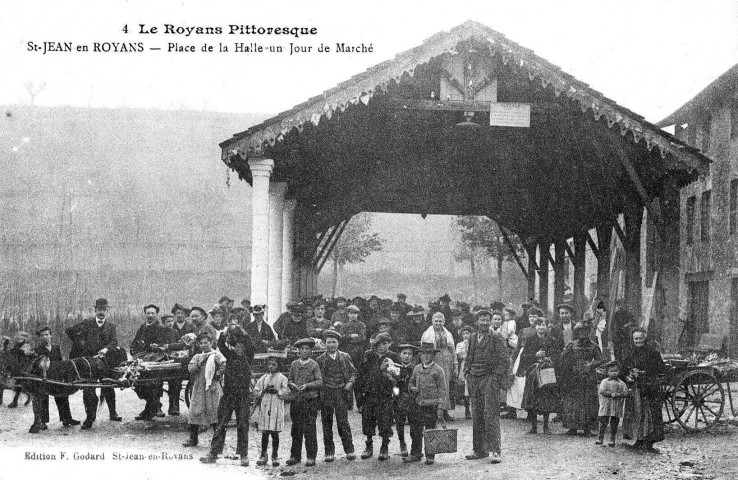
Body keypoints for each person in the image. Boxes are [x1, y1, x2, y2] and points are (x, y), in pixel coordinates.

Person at [200, 325, 255, 466]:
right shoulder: (229, 356)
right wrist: (225, 332)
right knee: (221, 423)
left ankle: (244, 455)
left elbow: (251, 344)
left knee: (243, 424)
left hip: (243, 396)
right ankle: (213, 454)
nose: (239, 349)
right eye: (237, 346)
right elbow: (220, 343)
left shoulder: (248, 357)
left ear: (245, 348)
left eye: (242, 346)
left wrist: (243, 331)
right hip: (229, 395)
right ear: (233, 347)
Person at [64, 298, 121, 429]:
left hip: (104, 361)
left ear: (107, 311)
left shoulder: (111, 326)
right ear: (95, 310)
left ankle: (113, 413)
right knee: (89, 389)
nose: (101, 312)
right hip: (89, 362)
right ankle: (90, 418)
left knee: (108, 385)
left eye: (104, 310)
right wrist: (80, 343)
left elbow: (114, 342)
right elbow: (69, 331)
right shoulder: (87, 323)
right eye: (99, 310)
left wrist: (105, 349)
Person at [464, 309, 509, 464]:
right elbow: (469, 356)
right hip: (474, 380)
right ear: (476, 321)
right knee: (477, 415)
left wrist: (495, 378)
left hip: (489, 379)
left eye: (487, 320)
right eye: (481, 320)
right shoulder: (471, 337)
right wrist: (467, 372)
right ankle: (479, 450)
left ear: (490, 322)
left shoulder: (496, 337)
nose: (484, 322)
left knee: (491, 415)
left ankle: (496, 451)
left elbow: (505, 360)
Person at [356, 332, 401, 461]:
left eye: (384, 343)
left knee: (385, 421)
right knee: (368, 420)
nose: (381, 346)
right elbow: (361, 375)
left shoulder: (393, 356)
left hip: (386, 394)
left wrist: (389, 370)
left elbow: (398, 376)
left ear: (390, 344)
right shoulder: (368, 355)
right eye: (379, 344)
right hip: (370, 393)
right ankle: (369, 445)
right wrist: (360, 396)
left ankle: (384, 446)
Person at [622, 328, 668, 453]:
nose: (638, 341)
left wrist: (645, 374)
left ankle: (649, 443)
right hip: (636, 388)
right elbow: (623, 370)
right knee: (637, 413)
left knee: (649, 414)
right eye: (635, 339)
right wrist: (629, 374)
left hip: (649, 388)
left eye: (640, 338)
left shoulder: (653, 353)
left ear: (645, 339)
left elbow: (661, 369)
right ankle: (638, 440)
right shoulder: (630, 353)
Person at [316, 330, 357, 462]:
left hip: (341, 392)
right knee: (326, 423)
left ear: (338, 343)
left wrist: (349, 384)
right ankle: (329, 452)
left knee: (343, 422)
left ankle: (349, 450)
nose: (331, 345)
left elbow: (353, 373)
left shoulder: (345, 356)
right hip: (326, 393)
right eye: (329, 342)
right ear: (324, 343)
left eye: (334, 342)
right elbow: (318, 378)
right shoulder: (320, 359)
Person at [404, 344, 448, 465]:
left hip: (431, 406)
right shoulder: (417, 368)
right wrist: (412, 388)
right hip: (418, 405)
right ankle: (416, 453)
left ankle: (430, 455)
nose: (426, 356)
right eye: (423, 353)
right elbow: (411, 383)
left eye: (429, 353)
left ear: (433, 355)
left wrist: (440, 409)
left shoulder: (438, 370)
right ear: (420, 355)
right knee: (416, 430)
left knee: (430, 431)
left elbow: (443, 391)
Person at [559, 323, 602, 436]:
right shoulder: (571, 345)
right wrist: (569, 366)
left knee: (588, 402)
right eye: (580, 331)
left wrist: (591, 364)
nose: (583, 334)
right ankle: (572, 427)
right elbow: (563, 358)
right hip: (574, 377)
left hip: (589, 377)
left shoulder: (594, 346)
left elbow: (600, 360)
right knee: (573, 402)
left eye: (585, 331)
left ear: (588, 332)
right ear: (576, 333)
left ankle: (587, 428)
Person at [32, 326, 80, 429]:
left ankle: (66, 419)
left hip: (57, 376)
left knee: (62, 395)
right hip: (44, 378)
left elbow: (60, 361)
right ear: (40, 337)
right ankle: (43, 422)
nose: (45, 337)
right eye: (42, 335)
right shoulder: (37, 349)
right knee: (43, 398)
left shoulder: (56, 347)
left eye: (46, 335)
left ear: (50, 335)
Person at [183, 332, 225, 447]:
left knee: (215, 411)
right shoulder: (197, 357)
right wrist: (201, 363)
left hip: (212, 387)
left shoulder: (216, 355)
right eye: (201, 343)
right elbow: (191, 369)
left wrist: (218, 373)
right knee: (195, 410)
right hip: (199, 387)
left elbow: (224, 365)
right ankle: (193, 439)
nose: (203, 345)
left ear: (211, 342)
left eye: (206, 342)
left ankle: (218, 441)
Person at [286, 338, 323, 467]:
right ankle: (295, 456)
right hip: (297, 400)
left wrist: (307, 386)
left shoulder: (314, 364)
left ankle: (311, 456)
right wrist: (292, 384)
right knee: (296, 428)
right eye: (302, 349)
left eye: (307, 349)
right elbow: (290, 379)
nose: (304, 351)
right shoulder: (294, 364)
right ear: (298, 351)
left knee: (309, 428)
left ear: (311, 351)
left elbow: (319, 381)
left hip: (310, 400)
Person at [520, 318, 561, 434]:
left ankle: (546, 426)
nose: (541, 327)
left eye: (543, 325)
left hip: (547, 371)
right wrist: (535, 355)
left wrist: (549, 359)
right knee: (533, 397)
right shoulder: (530, 340)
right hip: (533, 372)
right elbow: (523, 357)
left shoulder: (552, 340)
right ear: (535, 326)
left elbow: (557, 355)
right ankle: (533, 427)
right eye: (538, 325)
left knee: (546, 397)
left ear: (547, 327)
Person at [253, 356, 290, 467]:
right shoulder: (264, 378)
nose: (271, 366)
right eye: (269, 364)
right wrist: (263, 391)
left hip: (276, 406)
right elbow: (256, 390)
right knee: (265, 432)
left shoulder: (282, 378)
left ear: (279, 365)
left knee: (274, 432)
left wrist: (277, 391)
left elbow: (286, 391)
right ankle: (263, 454)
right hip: (265, 405)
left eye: (274, 364)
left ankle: (275, 455)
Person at [131, 304, 165, 420]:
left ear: (156, 315)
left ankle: (151, 408)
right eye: (148, 313)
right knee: (134, 380)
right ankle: (153, 405)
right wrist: (134, 351)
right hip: (140, 357)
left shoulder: (160, 329)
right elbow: (135, 342)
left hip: (153, 359)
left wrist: (155, 347)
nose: (150, 316)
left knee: (150, 383)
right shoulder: (142, 327)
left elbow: (162, 344)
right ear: (145, 314)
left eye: (152, 313)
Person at [421, 312, 457, 421]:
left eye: (440, 321)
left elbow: (452, 349)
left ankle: (444, 411)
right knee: (433, 384)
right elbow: (423, 350)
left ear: (444, 322)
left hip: (446, 360)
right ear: (432, 321)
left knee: (445, 385)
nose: (438, 323)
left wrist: (455, 363)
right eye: (436, 321)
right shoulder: (427, 334)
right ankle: (433, 411)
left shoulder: (448, 333)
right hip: (434, 359)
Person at [394, 343, 418, 456]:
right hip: (399, 399)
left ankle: (415, 446)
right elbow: (393, 385)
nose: (407, 356)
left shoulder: (416, 369)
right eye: (404, 353)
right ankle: (402, 443)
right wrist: (396, 395)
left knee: (414, 424)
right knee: (400, 423)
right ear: (400, 355)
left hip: (413, 400)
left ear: (412, 356)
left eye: (409, 354)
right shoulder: (395, 368)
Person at [596, 361, 628, 447]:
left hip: (616, 405)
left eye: (616, 371)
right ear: (607, 372)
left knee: (614, 423)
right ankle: (600, 438)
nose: (614, 373)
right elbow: (602, 391)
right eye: (611, 371)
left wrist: (621, 394)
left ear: (619, 371)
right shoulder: (604, 381)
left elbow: (625, 392)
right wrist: (610, 394)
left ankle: (612, 439)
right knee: (603, 421)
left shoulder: (621, 383)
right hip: (606, 405)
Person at [338, 304, 367, 373]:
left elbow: (362, 338)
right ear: (348, 314)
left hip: (357, 350)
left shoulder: (361, 325)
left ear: (357, 314)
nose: (353, 315)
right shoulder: (344, 325)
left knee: (357, 368)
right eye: (351, 313)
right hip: (346, 349)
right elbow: (340, 337)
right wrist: (351, 336)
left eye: (355, 313)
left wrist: (347, 338)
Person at [455, 325, 473, 419]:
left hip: (473, 366)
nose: (465, 335)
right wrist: (466, 348)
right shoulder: (460, 345)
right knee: (466, 387)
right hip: (464, 366)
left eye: (467, 333)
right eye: (464, 334)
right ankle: (467, 410)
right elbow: (460, 355)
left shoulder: (474, 343)